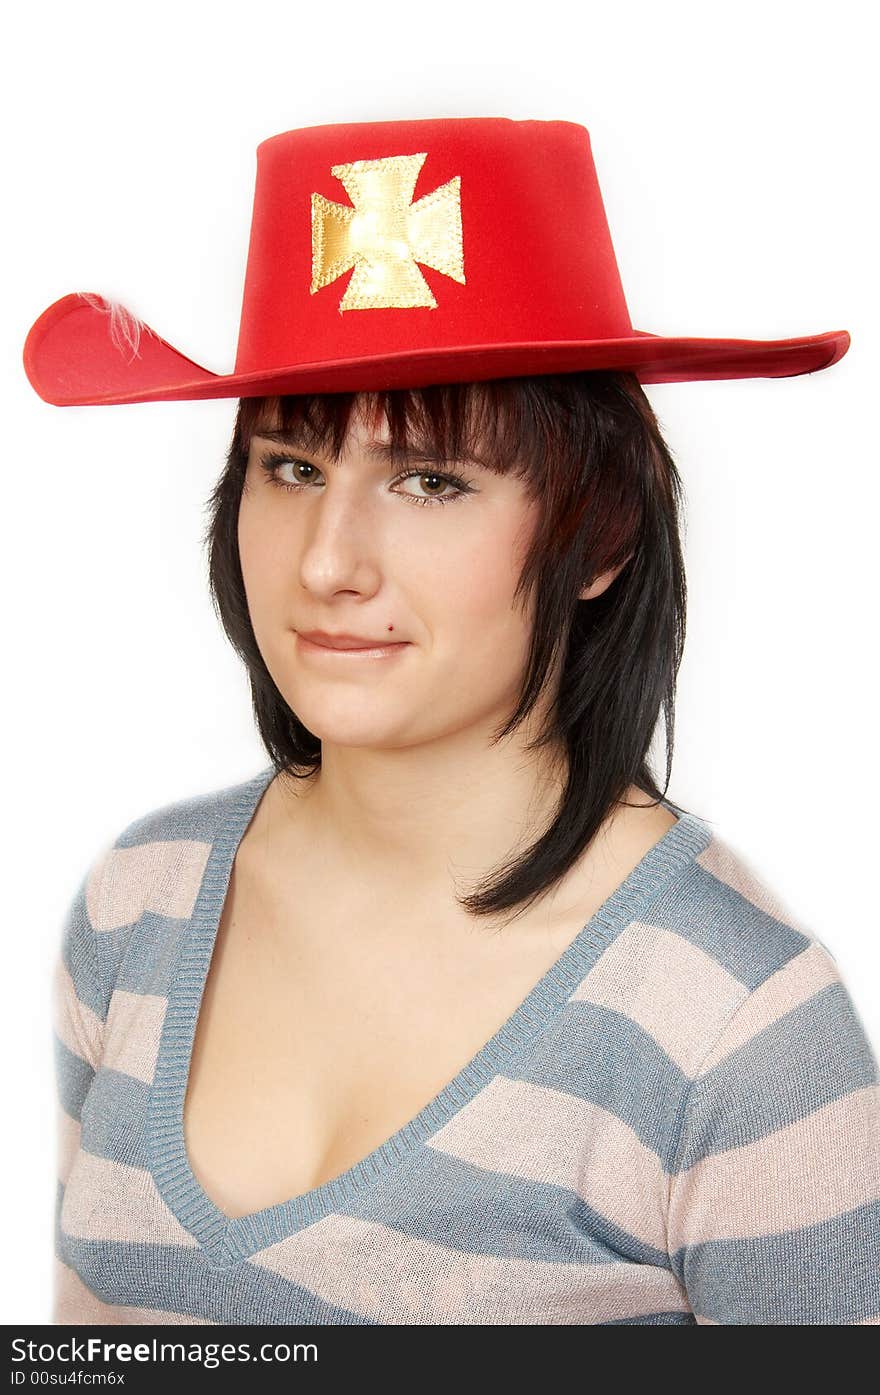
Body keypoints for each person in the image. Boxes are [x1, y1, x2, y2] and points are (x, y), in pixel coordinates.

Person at [29, 117, 878, 1325]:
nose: (328, 562)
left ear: (602, 537)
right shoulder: (140, 901)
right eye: (292, 466)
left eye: (431, 480)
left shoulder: (734, 1026)